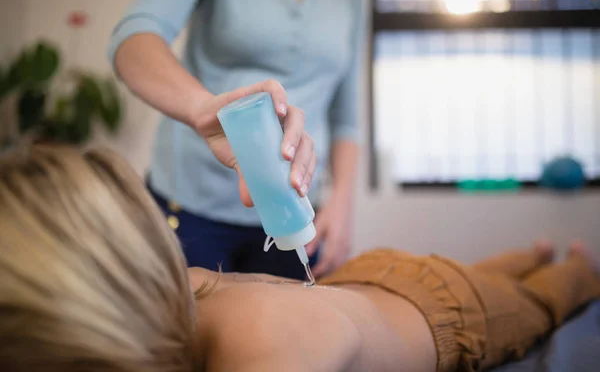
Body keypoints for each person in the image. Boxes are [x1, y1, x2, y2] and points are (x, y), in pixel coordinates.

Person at [1, 146, 599, 372]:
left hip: (444, 320)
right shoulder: (182, 285)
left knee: (533, 304)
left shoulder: (264, 348)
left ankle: (576, 266)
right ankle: (530, 252)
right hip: (374, 284)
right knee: (468, 276)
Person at [107, 0, 369, 279]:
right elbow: (134, 37)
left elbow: (346, 120)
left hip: (294, 207)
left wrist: (341, 207)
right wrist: (202, 108)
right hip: (193, 202)